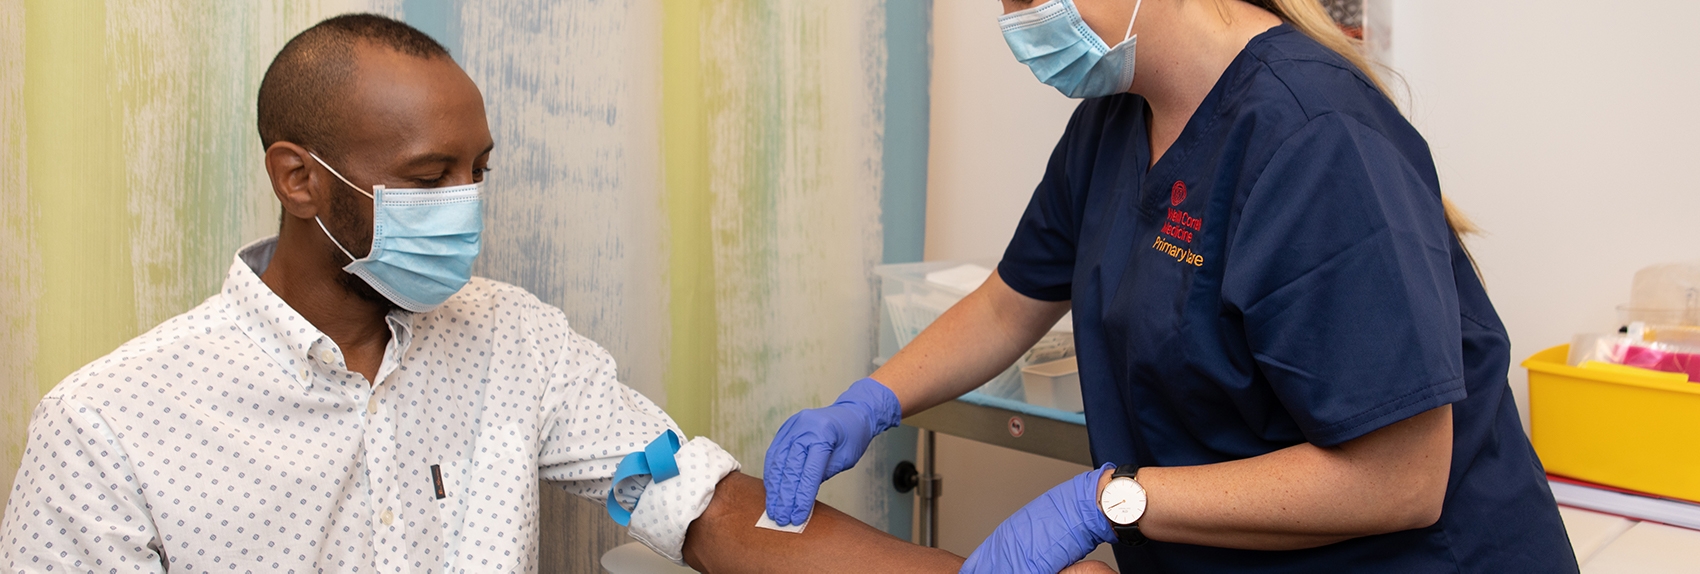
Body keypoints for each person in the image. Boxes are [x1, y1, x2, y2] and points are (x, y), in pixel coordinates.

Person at [0, 14, 973, 574]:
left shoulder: (510, 341)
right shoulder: (110, 426)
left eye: (479, 171)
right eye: (429, 178)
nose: (464, 208)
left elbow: (698, 504)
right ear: (299, 179)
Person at [763, 0, 1577, 571]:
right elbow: (1010, 304)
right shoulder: (1116, 122)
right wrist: (868, 403)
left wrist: (1109, 503)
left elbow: (1400, 479)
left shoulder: (1316, 138)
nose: (1016, 22)